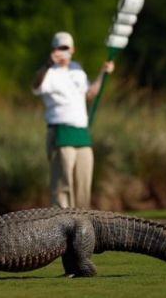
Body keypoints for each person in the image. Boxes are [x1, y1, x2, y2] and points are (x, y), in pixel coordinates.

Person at [31, 31, 115, 208]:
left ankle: (82, 227)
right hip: (60, 132)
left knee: (83, 185)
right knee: (62, 186)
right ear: (53, 50)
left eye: (66, 48)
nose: (63, 52)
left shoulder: (77, 69)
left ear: (72, 50)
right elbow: (36, 87)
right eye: (59, 48)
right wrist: (48, 64)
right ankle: (61, 229)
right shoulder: (48, 72)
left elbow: (90, 93)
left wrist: (103, 74)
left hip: (81, 133)